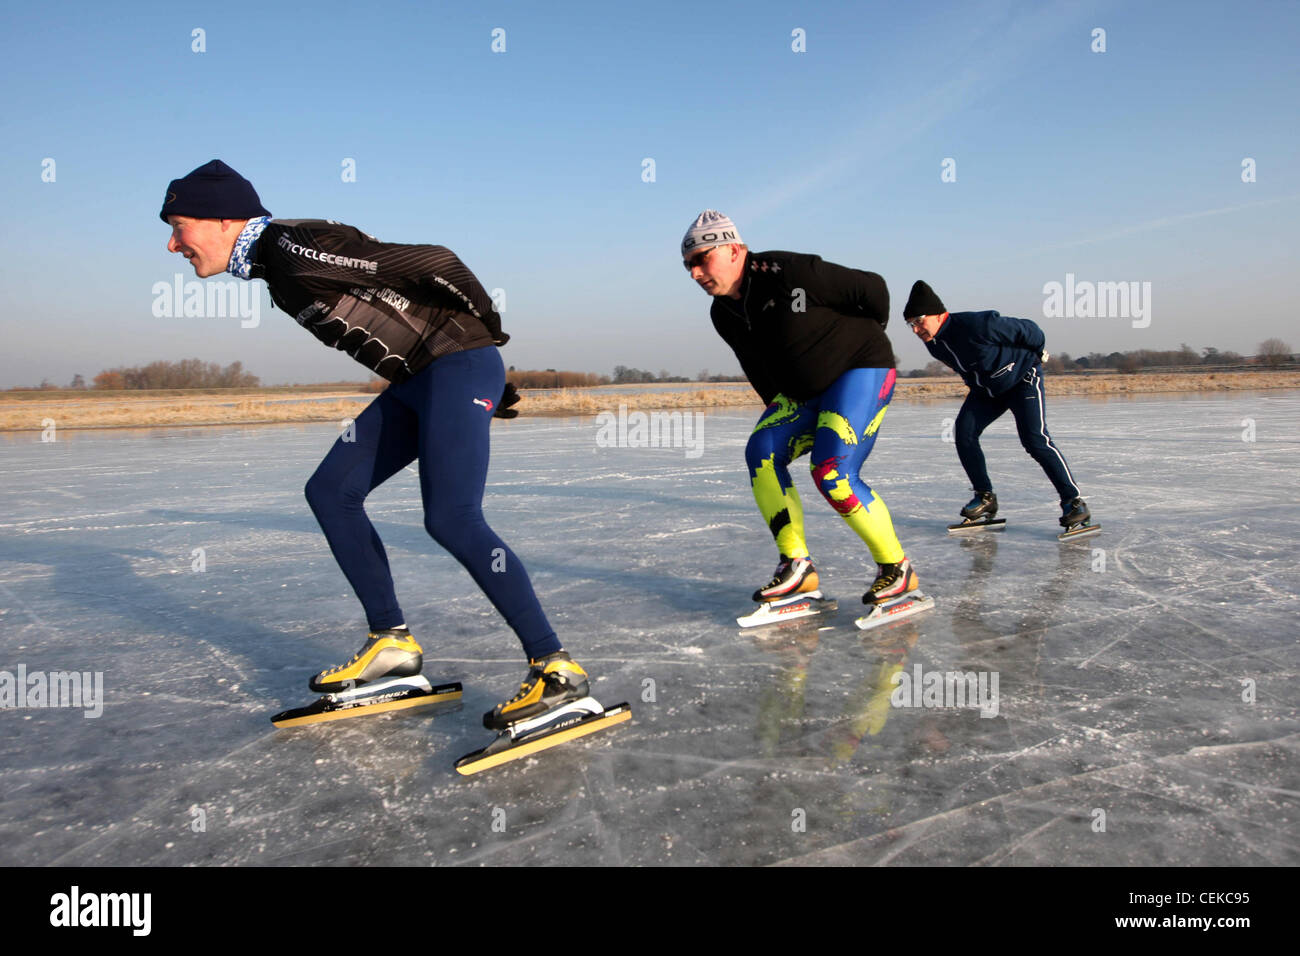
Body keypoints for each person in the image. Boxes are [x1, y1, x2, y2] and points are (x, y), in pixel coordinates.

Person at [159, 159, 589, 729]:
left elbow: (438, 262)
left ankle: (556, 668)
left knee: (453, 518)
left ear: (220, 219)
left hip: (452, 364)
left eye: (178, 225)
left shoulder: (291, 248)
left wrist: (483, 335)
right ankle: (391, 646)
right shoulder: (273, 265)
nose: (172, 245)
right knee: (331, 490)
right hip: (424, 379)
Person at [682, 210, 921, 606]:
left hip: (860, 371)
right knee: (762, 453)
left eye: (701, 259)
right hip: (802, 394)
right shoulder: (722, 312)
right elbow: (756, 367)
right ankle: (797, 566)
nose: (694, 273)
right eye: (688, 265)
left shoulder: (788, 271)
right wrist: (782, 416)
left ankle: (897, 568)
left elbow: (873, 290)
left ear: (733, 250)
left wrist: (859, 339)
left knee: (832, 471)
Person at [902, 280, 1090, 532]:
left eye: (919, 321)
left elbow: (1030, 330)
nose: (915, 329)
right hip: (987, 391)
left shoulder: (977, 325)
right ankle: (985, 497)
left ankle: (1073, 501)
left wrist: (1038, 352)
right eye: (910, 324)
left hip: (1022, 379)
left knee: (1035, 440)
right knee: (964, 433)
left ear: (938, 314)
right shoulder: (933, 343)